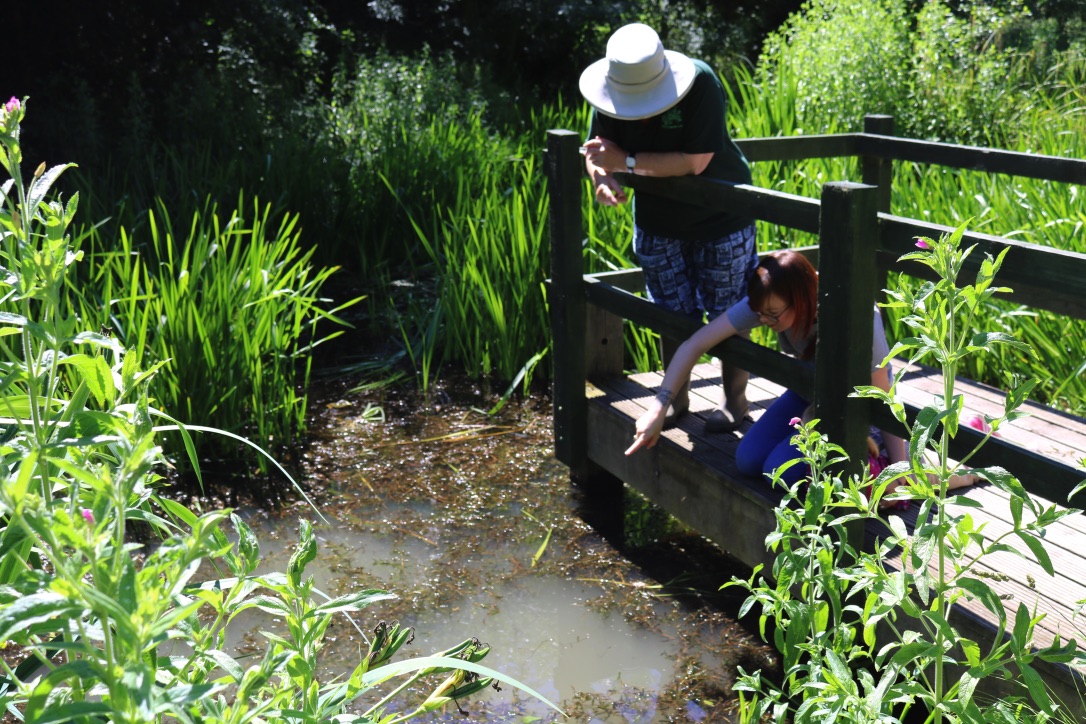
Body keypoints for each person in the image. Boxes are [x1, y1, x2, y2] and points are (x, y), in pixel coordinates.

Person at [623, 250, 977, 502]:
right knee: (748, 461)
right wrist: (658, 406)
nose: (764, 321)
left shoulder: (856, 316)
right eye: (760, 314)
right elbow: (694, 343)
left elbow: (881, 395)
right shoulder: (767, 301)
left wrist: (900, 470)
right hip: (806, 399)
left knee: (779, 470)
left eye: (773, 316)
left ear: (803, 298)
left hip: (854, 405)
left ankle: (899, 453)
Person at [578, 22, 757, 434]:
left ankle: (735, 403)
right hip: (658, 222)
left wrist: (623, 162)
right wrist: (601, 179)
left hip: (720, 216)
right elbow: (594, 151)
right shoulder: (611, 87)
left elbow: (695, 162)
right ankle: (676, 402)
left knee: (730, 311)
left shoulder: (701, 83)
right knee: (670, 312)